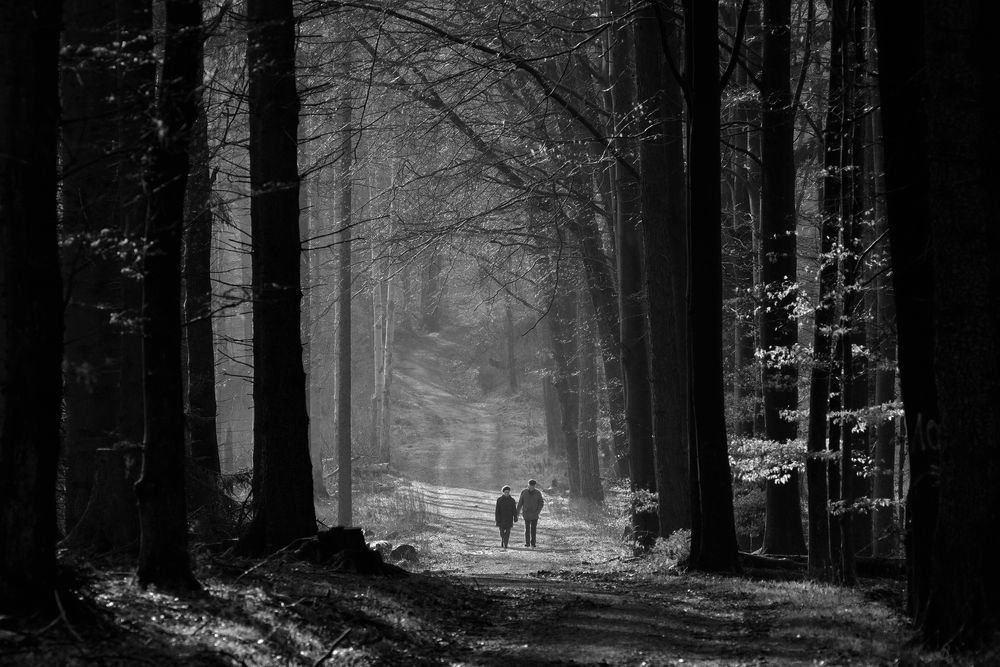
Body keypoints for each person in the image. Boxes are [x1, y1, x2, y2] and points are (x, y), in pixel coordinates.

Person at [516, 479, 544, 547]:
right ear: (528, 485)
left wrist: (537, 511)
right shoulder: (524, 492)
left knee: (533, 529)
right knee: (527, 529)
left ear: (535, 486)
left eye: (533, 486)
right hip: (526, 513)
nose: (531, 487)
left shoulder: (538, 493)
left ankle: (533, 543)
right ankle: (527, 543)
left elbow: (541, 503)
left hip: (534, 514)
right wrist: (517, 513)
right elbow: (520, 503)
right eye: (530, 485)